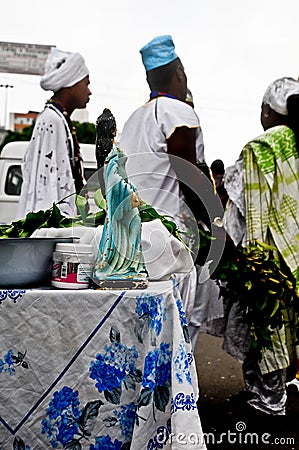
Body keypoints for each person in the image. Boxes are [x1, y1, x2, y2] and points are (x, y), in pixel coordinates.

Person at [119, 35, 224, 349]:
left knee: (143, 333)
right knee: (176, 330)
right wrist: (220, 232)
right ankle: (178, 396)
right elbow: (192, 183)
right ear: (179, 72)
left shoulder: (133, 119)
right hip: (169, 247)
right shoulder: (177, 112)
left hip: (132, 242)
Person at [223, 76, 299, 417]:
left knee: (266, 328)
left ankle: (268, 402)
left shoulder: (263, 147)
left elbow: (250, 206)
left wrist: (247, 255)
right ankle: (272, 394)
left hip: (269, 255)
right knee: (288, 329)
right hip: (295, 253)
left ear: (269, 111)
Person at [18, 47, 91, 218]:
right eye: (86, 84)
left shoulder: (60, 119)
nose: (89, 91)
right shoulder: (51, 120)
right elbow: (47, 188)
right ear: (71, 86)